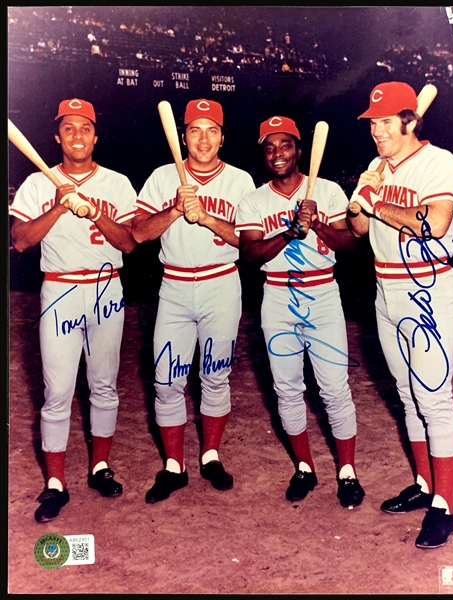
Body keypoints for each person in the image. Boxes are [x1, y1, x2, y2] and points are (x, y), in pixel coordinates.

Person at [347, 81, 453, 549]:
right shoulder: (377, 166)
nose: (376, 130)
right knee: (407, 393)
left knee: (434, 399)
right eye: (372, 122)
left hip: (427, 287)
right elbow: (357, 229)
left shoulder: (440, 163)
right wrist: (360, 197)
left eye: (385, 121)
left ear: (409, 121)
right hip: (386, 287)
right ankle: (424, 483)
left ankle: (447, 507)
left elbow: (433, 223)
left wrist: (379, 202)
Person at [9, 98, 138, 523]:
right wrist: (61, 204)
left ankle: (100, 467)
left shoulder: (117, 183)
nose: (77, 135)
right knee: (58, 390)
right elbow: (21, 241)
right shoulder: (36, 183)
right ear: (57, 136)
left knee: (103, 385)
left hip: (106, 290)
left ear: (95, 136)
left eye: (85, 128)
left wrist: (94, 211)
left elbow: (128, 243)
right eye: (69, 128)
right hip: (60, 290)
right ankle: (55, 482)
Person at [235, 115, 365, 508]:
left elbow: (351, 246)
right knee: (287, 388)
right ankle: (305, 467)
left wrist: (319, 224)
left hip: (322, 294)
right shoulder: (254, 200)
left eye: (285, 145)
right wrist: (289, 231)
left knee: (334, 388)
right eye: (270, 147)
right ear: (263, 154)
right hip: (276, 298)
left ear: (298, 150)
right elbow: (250, 254)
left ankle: (347, 472)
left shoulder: (326, 191)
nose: (277, 154)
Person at [132, 99, 256, 503]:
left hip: (222, 284)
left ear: (223, 137)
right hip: (174, 286)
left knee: (215, 375)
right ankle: (173, 466)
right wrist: (173, 209)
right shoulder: (162, 176)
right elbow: (138, 234)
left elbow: (250, 242)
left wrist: (206, 217)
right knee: (167, 379)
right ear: (183, 136)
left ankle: (211, 456)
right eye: (195, 131)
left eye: (212, 131)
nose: (203, 139)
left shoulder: (240, 181)